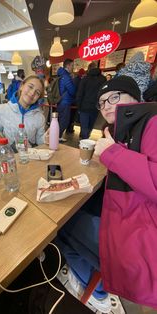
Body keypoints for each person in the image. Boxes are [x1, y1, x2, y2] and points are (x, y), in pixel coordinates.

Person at [56, 75, 157, 311]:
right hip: (131, 218)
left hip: (142, 239)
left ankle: (96, 292)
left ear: (135, 97)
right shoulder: (121, 130)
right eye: (102, 102)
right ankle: (95, 281)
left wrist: (113, 153)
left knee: (62, 226)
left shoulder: (153, 121)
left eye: (115, 96)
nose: (108, 105)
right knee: (77, 208)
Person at [0, 75, 45, 147]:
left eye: (37, 93)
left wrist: (46, 138)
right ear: (22, 86)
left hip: (29, 157)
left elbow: (40, 141)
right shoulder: (2, 109)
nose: (32, 93)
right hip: (9, 156)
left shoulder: (40, 117)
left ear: (38, 98)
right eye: (30, 87)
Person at [76, 62, 106, 139]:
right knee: (91, 125)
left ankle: (84, 142)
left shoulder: (85, 79)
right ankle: (86, 139)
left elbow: (80, 94)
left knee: (84, 126)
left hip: (84, 106)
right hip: (95, 107)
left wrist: (78, 107)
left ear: (89, 69)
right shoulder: (103, 79)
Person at [57, 59, 76, 142]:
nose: (73, 67)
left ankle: (57, 135)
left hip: (60, 101)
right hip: (65, 102)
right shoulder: (66, 76)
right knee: (64, 120)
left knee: (60, 119)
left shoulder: (61, 75)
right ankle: (58, 136)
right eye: (72, 65)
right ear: (68, 66)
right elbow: (72, 90)